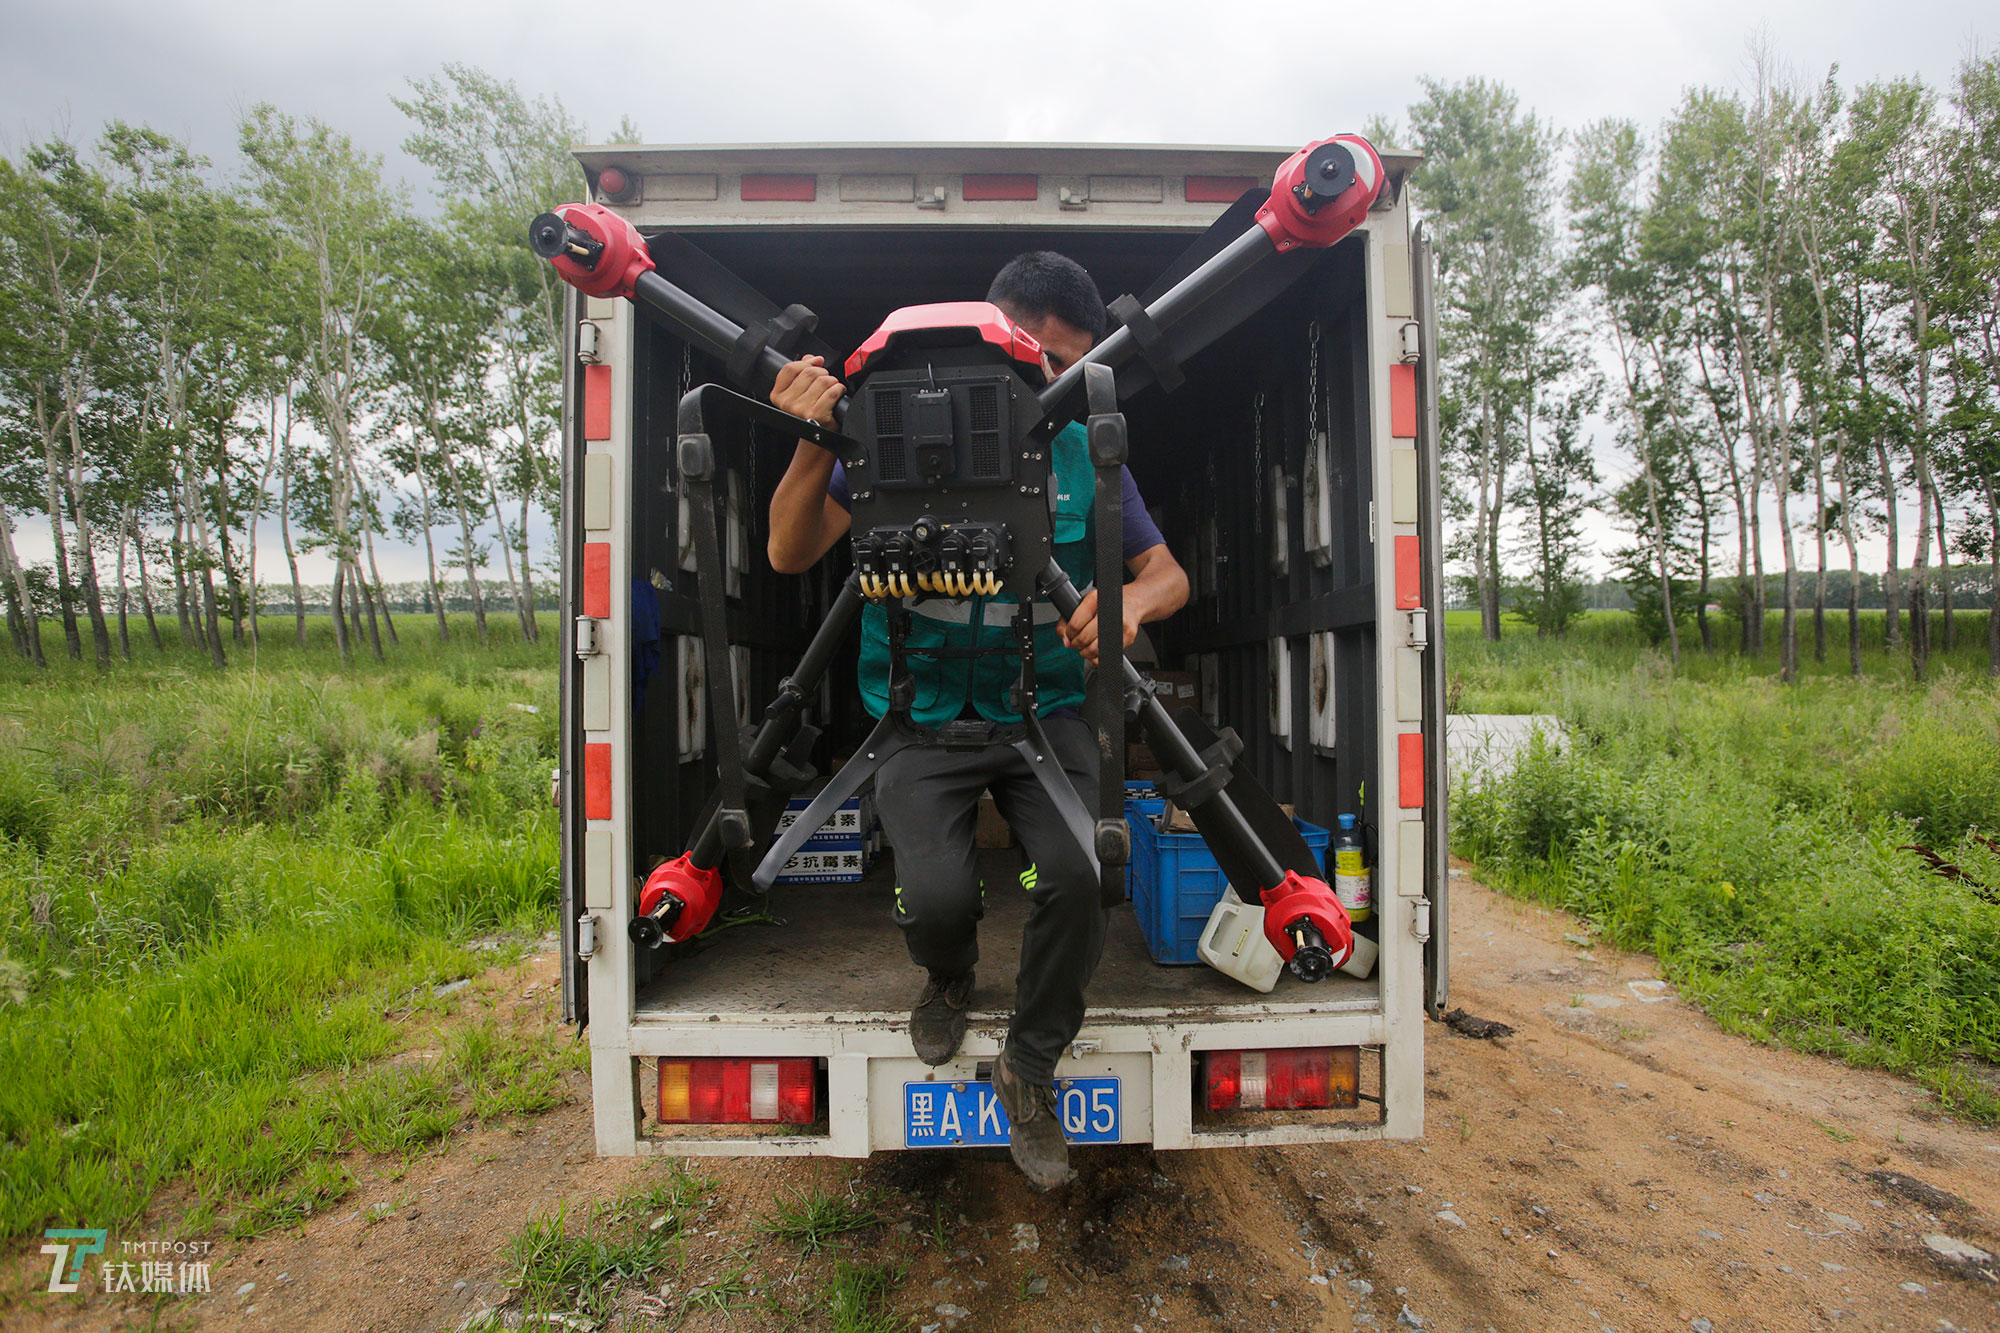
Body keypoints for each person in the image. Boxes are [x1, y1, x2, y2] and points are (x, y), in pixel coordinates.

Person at [763, 252, 1188, 1188]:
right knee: (942, 898)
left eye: (1072, 370)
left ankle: (1028, 1063)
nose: (1054, 387)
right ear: (988, 332)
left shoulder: (1082, 445)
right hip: (916, 719)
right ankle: (949, 972)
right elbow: (789, 553)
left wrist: (1130, 607)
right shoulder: (873, 440)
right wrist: (811, 441)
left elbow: (1167, 573)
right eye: (1045, 361)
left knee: (1086, 875)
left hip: (1046, 711)